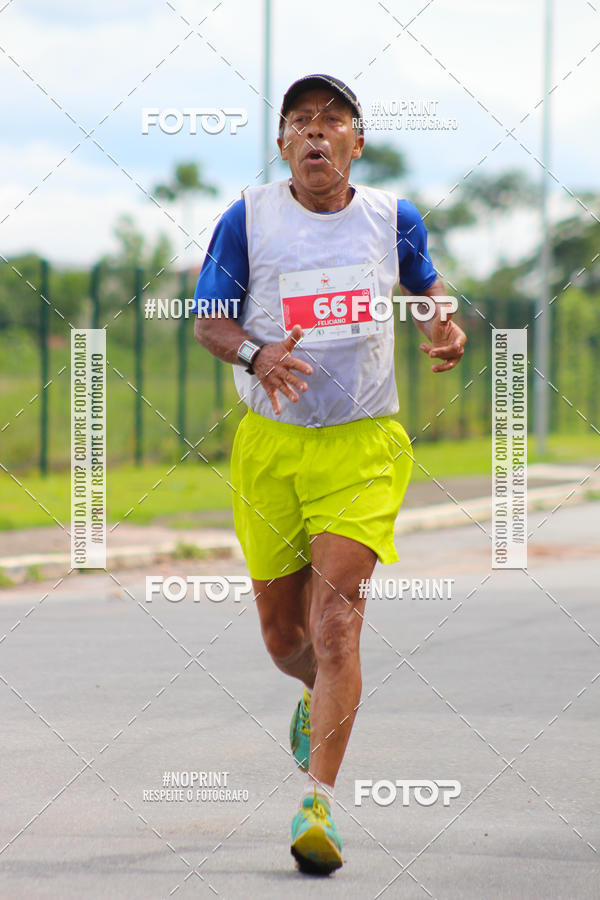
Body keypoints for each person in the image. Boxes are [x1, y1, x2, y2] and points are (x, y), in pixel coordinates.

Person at [193, 73, 466, 875]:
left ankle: (318, 804)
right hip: (272, 446)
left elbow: (427, 290)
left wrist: (444, 324)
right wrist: (257, 353)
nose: (316, 133)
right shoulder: (247, 219)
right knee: (286, 640)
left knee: (336, 624)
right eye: (300, 122)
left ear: (356, 142)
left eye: (332, 121)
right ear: (282, 144)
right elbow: (210, 321)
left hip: (363, 443)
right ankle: (315, 698)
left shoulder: (394, 217)